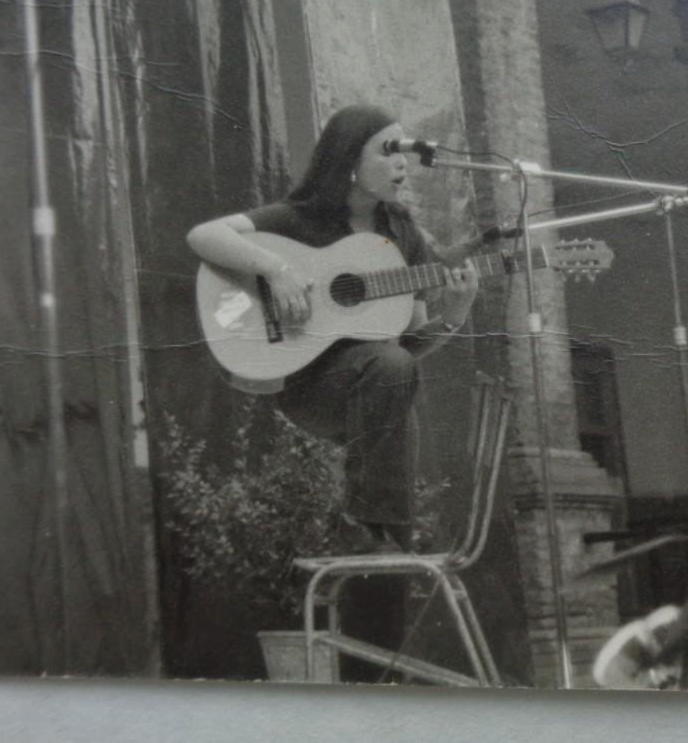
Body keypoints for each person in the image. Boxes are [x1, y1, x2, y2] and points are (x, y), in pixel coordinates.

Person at [187, 105, 479, 553]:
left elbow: (411, 344)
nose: (403, 161)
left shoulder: (403, 235)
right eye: (388, 150)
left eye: (404, 150)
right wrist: (277, 269)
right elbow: (204, 236)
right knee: (391, 381)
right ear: (348, 160)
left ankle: (373, 551)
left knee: (394, 375)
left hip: (374, 388)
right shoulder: (300, 219)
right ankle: (368, 534)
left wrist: (456, 315)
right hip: (309, 387)